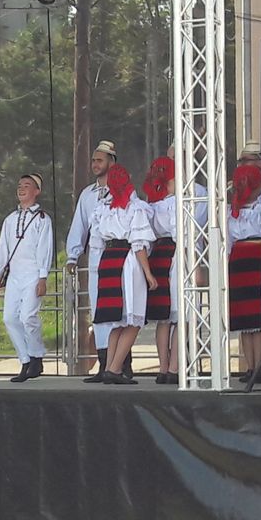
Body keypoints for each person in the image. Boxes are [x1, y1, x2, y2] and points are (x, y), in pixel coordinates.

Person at [91, 164, 157, 385]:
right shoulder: (134, 208)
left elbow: (96, 241)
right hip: (127, 262)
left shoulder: (103, 208)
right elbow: (138, 244)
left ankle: (110, 367)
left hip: (108, 260)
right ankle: (115, 368)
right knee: (133, 319)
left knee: (117, 321)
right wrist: (148, 273)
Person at [64, 140, 122, 382]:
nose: (95, 164)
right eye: (93, 160)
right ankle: (103, 363)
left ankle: (121, 364)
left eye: (100, 160)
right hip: (97, 256)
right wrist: (72, 255)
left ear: (111, 162)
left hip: (118, 256)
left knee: (118, 309)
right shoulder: (87, 194)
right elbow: (79, 225)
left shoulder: (122, 190)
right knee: (98, 309)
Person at [0, 173, 53, 383]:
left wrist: (43, 276)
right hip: (15, 274)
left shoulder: (42, 219)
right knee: (9, 317)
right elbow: (4, 247)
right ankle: (25, 359)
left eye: (27, 185)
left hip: (33, 273)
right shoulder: (10, 219)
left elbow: (45, 248)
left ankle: (36, 357)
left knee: (28, 316)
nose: (21, 189)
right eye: (19, 185)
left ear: (37, 191)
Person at [229, 165, 261, 383]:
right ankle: (259, 368)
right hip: (257, 256)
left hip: (237, 259)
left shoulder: (231, 212)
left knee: (245, 319)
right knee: (258, 317)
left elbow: (228, 241)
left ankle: (251, 367)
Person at [143, 157, 180, 384]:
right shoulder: (175, 203)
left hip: (156, 254)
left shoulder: (150, 205)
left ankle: (163, 368)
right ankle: (174, 368)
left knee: (163, 319)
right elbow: (179, 231)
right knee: (180, 315)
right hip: (174, 253)